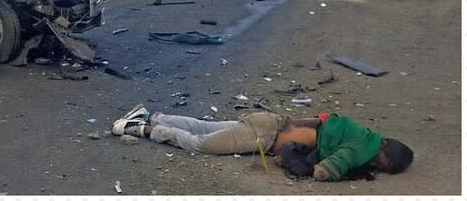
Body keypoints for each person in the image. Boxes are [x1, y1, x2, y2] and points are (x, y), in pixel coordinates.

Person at [111, 105, 414, 182]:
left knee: (204, 126)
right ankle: (143, 128)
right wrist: (334, 171)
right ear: (384, 159)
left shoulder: (363, 134)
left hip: (270, 122)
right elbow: (327, 170)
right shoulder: (363, 149)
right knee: (201, 144)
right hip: (267, 136)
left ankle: (153, 116)